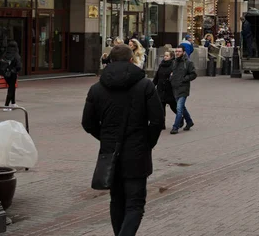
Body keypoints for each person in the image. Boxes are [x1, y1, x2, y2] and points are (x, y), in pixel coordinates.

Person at [82, 44, 163, 236]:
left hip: (111, 153)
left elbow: (87, 123)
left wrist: (105, 137)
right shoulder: (145, 85)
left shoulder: (96, 88)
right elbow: (157, 120)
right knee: (135, 203)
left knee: (116, 200)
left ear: (110, 60)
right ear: (130, 60)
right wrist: (147, 142)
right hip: (137, 152)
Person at [169, 45, 197, 134]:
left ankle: (175, 127)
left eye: (179, 51)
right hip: (175, 88)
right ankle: (189, 122)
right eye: (176, 51)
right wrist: (171, 78)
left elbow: (193, 74)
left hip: (183, 88)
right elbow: (171, 72)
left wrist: (184, 79)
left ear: (183, 52)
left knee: (179, 108)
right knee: (182, 107)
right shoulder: (173, 62)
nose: (177, 53)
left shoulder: (188, 62)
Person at [153, 50, 178, 130]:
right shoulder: (161, 65)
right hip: (160, 89)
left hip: (169, 89)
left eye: (167, 56)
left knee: (173, 106)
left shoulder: (173, 65)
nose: (165, 57)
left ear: (171, 57)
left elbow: (175, 78)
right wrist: (152, 85)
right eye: (164, 55)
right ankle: (162, 124)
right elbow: (157, 76)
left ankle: (181, 118)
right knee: (161, 108)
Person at [0, 41, 22, 107]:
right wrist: (16, 70)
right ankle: (6, 105)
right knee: (11, 88)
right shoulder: (16, 54)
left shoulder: (5, 54)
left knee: (12, 87)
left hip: (5, 73)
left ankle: (13, 103)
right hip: (13, 73)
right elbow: (19, 66)